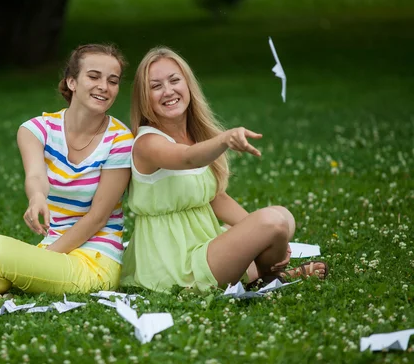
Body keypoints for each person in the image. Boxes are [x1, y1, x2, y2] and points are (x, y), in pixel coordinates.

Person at [0, 44, 134, 301]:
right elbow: (36, 175)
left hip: (94, 263)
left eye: (112, 81)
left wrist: (40, 259)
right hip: (52, 250)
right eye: (94, 76)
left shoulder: (120, 139)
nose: (104, 86)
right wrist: (37, 197)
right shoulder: (37, 129)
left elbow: (97, 217)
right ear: (71, 81)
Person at [120, 47, 328, 292]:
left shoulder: (194, 136)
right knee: (272, 222)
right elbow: (187, 159)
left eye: (175, 80)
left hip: (204, 242)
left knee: (282, 217)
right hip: (173, 265)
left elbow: (216, 198)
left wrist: (270, 235)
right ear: (144, 97)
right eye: (156, 86)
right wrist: (223, 139)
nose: (168, 91)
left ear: (188, 85)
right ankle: (269, 279)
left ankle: (267, 277)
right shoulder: (147, 143)